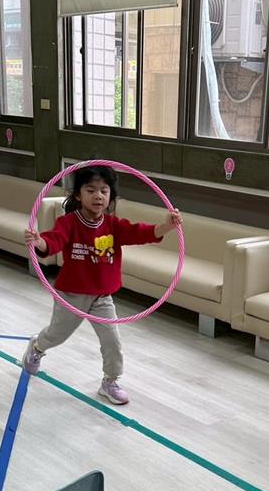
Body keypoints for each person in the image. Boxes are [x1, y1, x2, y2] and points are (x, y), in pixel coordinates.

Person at [22, 164, 182, 405]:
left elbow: (140, 232)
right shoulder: (69, 223)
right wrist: (39, 242)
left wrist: (167, 226)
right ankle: (37, 347)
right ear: (78, 195)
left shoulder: (114, 225)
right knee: (57, 335)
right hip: (72, 294)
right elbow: (53, 241)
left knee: (112, 342)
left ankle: (110, 381)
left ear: (110, 196)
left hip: (102, 297)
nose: (98, 196)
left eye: (104, 191)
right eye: (90, 190)